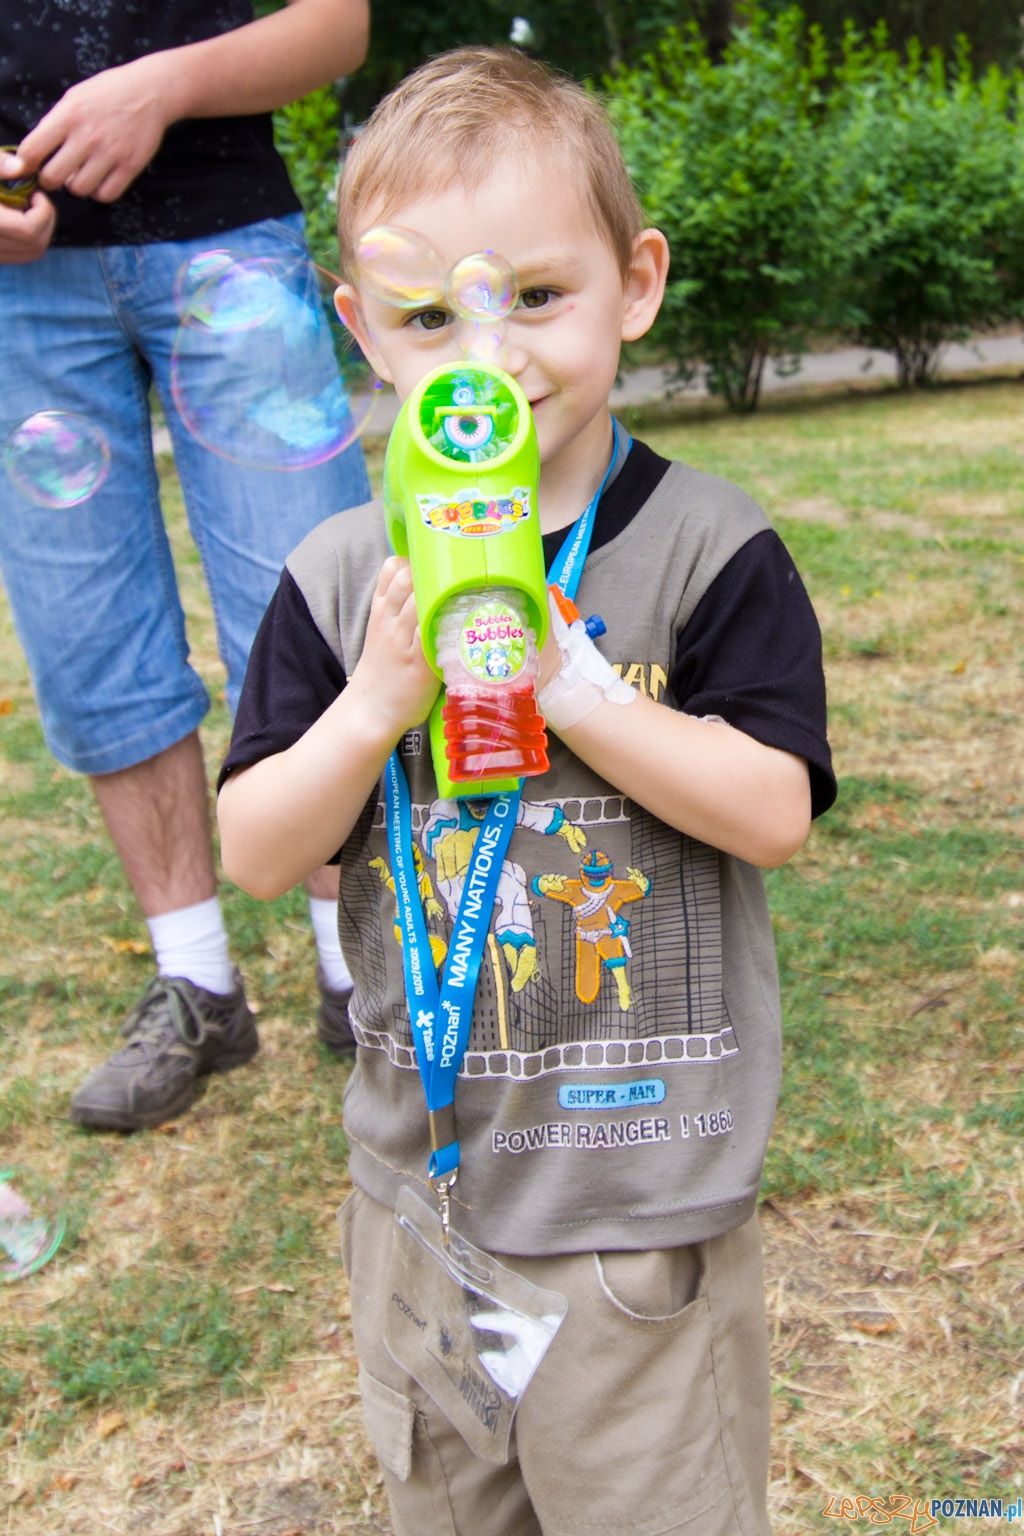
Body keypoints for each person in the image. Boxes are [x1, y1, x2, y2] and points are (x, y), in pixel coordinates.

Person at [217, 46, 837, 1535]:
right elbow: (260, 850)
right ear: (365, 330)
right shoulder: (341, 577)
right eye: (433, 316)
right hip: (424, 1210)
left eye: (538, 298)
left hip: (637, 1212)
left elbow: (774, 812)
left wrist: (570, 683)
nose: (487, 358)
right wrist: (375, 705)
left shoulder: (708, 549)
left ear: (636, 285)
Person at [0, 0, 372, 1133]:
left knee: (307, 614)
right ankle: (196, 981)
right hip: (18, 285)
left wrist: (160, 86)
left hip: (227, 242)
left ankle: (359, 972)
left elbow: (335, 25)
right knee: (87, 633)